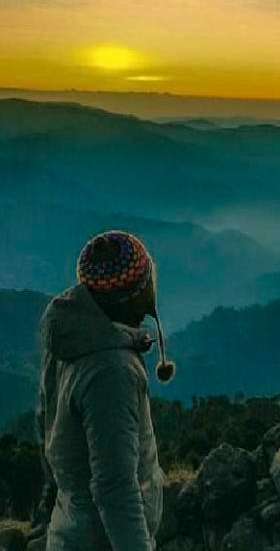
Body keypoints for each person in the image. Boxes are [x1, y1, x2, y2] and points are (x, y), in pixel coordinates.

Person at [36, 231, 176, 551]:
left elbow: (44, 423)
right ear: (135, 296)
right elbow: (115, 488)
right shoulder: (111, 371)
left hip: (71, 530)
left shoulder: (71, 339)